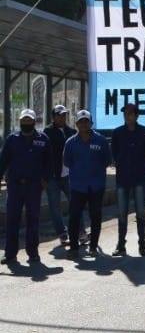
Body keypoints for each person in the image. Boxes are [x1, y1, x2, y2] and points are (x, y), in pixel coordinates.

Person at [0, 109, 51, 266]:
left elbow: (49, 162)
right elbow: (3, 160)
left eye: (29, 121)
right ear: (20, 122)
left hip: (34, 187)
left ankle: (33, 253)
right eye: (24, 120)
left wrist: (45, 179)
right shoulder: (12, 139)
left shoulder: (43, 139)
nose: (26, 123)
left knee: (33, 220)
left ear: (34, 122)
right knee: (12, 220)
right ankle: (10, 254)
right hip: (15, 186)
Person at [63, 110, 112, 259]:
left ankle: (93, 247)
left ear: (91, 123)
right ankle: (73, 247)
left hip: (96, 186)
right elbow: (67, 162)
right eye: (81, 122)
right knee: (74, 217)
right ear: (76, 124)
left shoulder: (101, 141)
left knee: (95, 216)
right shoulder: (70, 142)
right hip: (77, 186)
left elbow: (107, 160)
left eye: (86, 121)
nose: (84, 124)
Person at [111, 103, 145, 257]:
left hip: (139, 178)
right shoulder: (117, 132)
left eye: (130, 113)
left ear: (136, 115)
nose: (127, 116)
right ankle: (121, 245)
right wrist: (121, 162)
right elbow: (114, 152)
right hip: (122, 178)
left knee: (141, 213)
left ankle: (142, 245)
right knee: (122, 213)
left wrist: (140, 164)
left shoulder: (144, 132)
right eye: (125, 113)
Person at [43, 104, 83, 246]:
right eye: (59, 115)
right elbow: (44, 154)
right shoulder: (47, 132)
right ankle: (62, 232)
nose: (62, 117)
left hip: (70, 175)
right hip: (53, 176)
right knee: (55, 206)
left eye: (64, 115)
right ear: (53, 117)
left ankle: (80, 232)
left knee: (76, 203)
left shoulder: (72, 131)